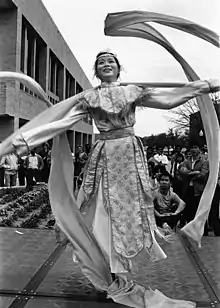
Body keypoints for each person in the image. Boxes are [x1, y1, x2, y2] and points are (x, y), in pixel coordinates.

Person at [0, 51, 219, 308]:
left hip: (128, 159)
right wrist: (24, 140)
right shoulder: (90, 97)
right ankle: (110, 271)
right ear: (96, 70)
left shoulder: (132, 91)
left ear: (118, 68)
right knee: (101, 214)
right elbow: (62, 122)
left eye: (110, 62)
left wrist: (201, 87)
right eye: (101, 62)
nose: (106, 64)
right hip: (104, 158)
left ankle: (120, 273)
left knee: (127, 216)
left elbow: (168, 100)